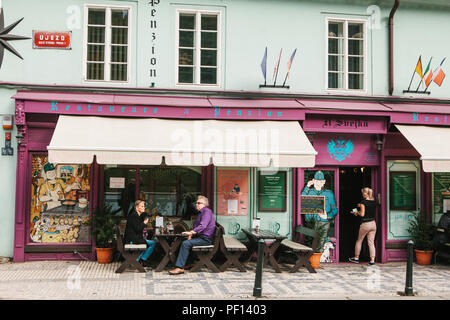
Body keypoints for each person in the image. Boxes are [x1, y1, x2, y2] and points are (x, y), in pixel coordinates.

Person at [169, 195, 216, 275]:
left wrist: (191, 233)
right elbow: (197, 226)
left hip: (206, 239)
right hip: (201, 237)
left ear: (204, 204)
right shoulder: (201, 212)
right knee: (183, 240)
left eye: (198, 203)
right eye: (196, 203)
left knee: (185, 243)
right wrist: (191, 234)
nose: (196, 204)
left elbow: (203, 226)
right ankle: (188, 263)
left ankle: (180, 267)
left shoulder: (206, 212)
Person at [301, 171, 338, 251]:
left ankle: (316, 263)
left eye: (321, 181)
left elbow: (335, 210)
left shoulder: (329, 193)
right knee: (310, 244)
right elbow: (302, 200)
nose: (319, 183)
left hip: (323, 223)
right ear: (313, 180)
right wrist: (307, 186)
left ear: (324, 182)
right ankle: (310, 261)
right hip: (310, 223)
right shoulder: (309, 191)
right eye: (317, 181)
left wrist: (327, 216)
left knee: (320, 245)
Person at [124, 200, 156, 268]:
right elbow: (138, 229)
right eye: (142, 206)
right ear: (137, 207)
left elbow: (138, 228)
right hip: (131, 241)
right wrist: (144, 223)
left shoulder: (136, 216)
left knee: (151, 243)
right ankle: (138, 260)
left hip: (134, 239)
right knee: (152, 243)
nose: (144, 207)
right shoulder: (134, 216)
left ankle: (140, 260)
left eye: (144, 206)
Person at [349, 187, 377, 265]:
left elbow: (362, 214)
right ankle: (372, 260)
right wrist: (360, 205)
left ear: (365, 193)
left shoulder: (363, 203)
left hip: (365, 224)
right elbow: (369, 206)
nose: (362, 195)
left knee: (359, 241)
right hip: (373, 224)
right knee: (371, 242)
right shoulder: (373, 201)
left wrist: (356, 213)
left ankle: (356, 258)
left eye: (363, 193)